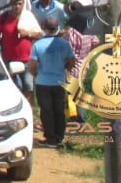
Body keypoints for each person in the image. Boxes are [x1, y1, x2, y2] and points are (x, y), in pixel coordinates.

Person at [29, 17, 76, 148]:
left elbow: (32, 65)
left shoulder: (38, 45)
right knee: (59, 110)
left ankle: (50, 139)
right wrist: (65, 68)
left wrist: (36, 75)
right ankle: (59, 137)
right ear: (57, 29)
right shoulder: (64, 44)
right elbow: (72, 61)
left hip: (43, 82)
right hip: (60, 82)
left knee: (46, 111)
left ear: (44, 28)